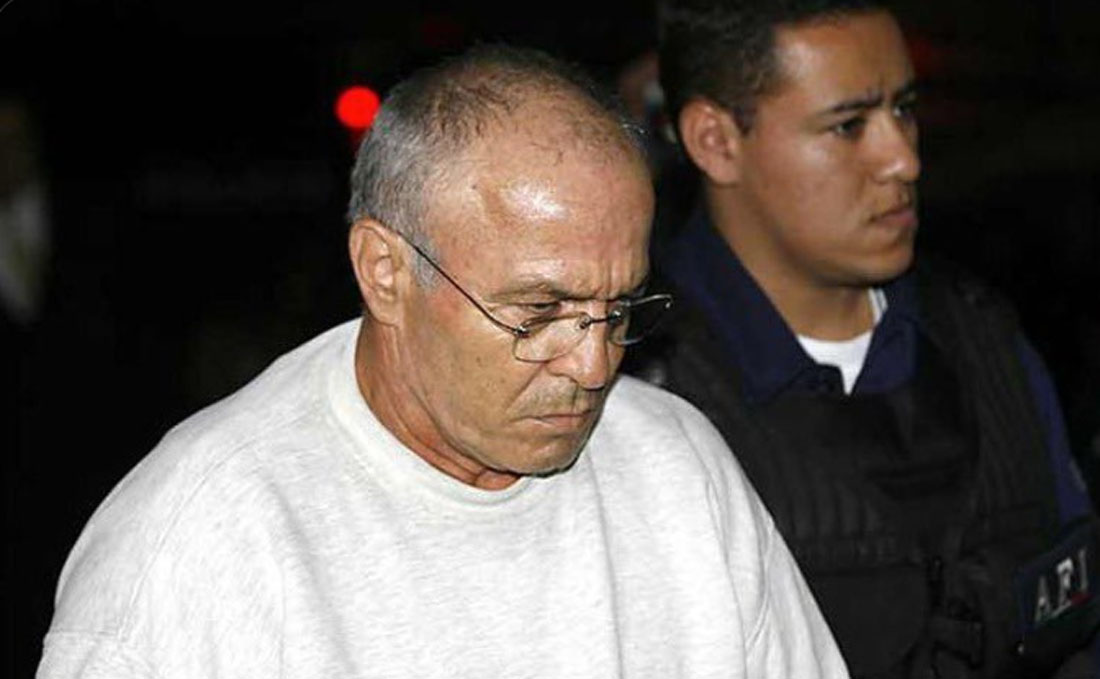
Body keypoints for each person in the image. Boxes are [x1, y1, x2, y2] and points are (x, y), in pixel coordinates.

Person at [36, 45, 847, 678]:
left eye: (619, 307)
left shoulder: (677, 465)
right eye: (540, 312)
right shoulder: (198, 541)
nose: (594, 364)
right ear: (385, 272)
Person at [627, 1, 1100, 677]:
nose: (902, 159)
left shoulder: (985, 337)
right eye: (848, 126)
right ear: (716, 141)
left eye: (904, 109)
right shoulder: (635, 396)